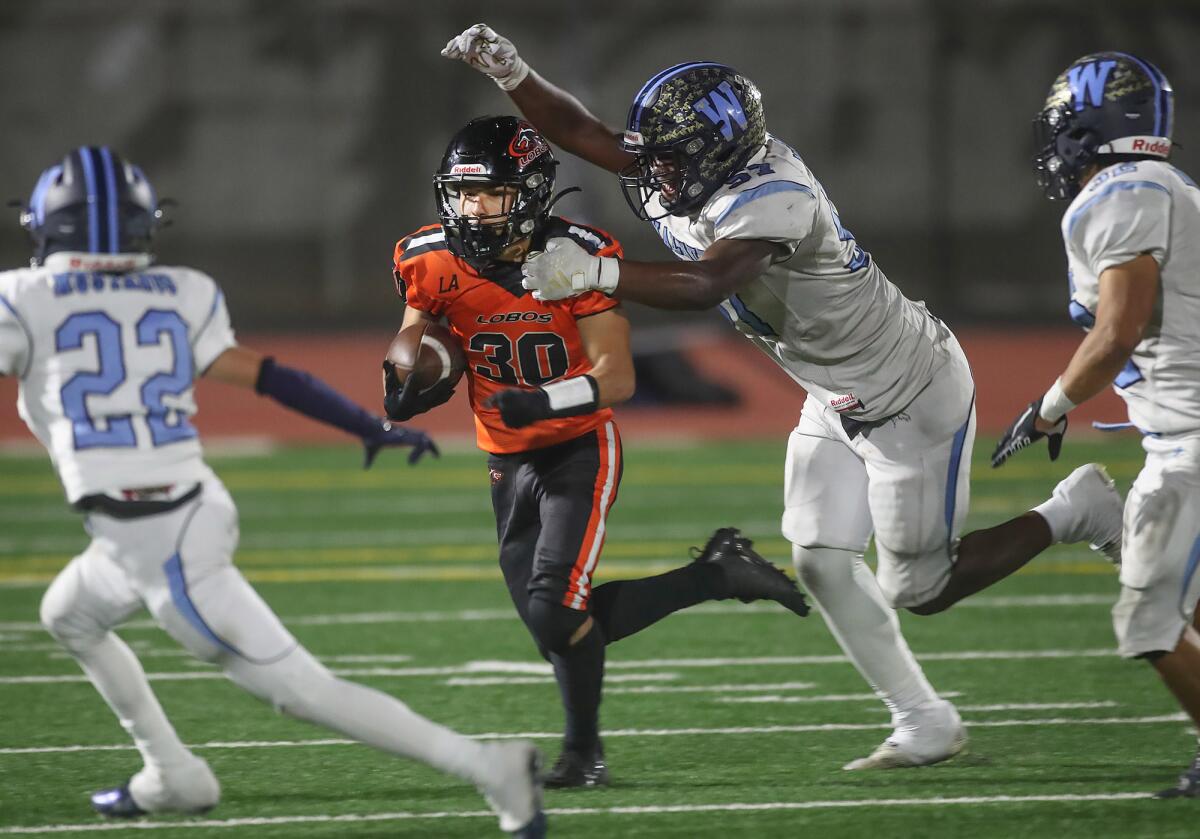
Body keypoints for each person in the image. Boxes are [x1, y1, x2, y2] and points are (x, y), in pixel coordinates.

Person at [442, 24, 1127, 771]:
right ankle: (923, 720)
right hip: (833, 392)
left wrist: (596, 275)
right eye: (655, 155)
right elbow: (582, 131)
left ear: (715, 155)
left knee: (920, 586)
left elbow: (706, 285)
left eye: (670, 159)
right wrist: (514, 71)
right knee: (823, 560)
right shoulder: (684, 163)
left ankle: (1075, 510)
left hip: (908, 392)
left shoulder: (775, 194)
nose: (654, 173)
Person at [0, 146, 545, 838]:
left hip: (158, 537)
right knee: (69, 615)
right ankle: (172, 773)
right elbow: (267, 375)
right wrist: (364, 426)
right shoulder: (182, 290)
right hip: (179, 508)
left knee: (304, 693)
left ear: (48, 226)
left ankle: (489, 766)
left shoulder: (21, 298)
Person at [384, 115, 810, 788]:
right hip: (505, 456)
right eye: (462, 194)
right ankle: (717, 574)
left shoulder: (575, 256)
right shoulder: (425, 255)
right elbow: (417, 346)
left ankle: (584, 755)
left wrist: (545, 401)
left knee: (557, 609)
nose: (471, 209)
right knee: (556, 627)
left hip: (578, 447)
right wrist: (406, 389)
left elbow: (617, 378)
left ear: (526, 193)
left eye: (489, 194)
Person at [991, 52, 1200, 799]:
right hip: (1176, 440)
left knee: (1149, 617)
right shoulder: (1159, 186)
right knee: (1187, 607)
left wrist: (1048, 406)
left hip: (1192, 448)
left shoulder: (1125, 191)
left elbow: (1116, 332)